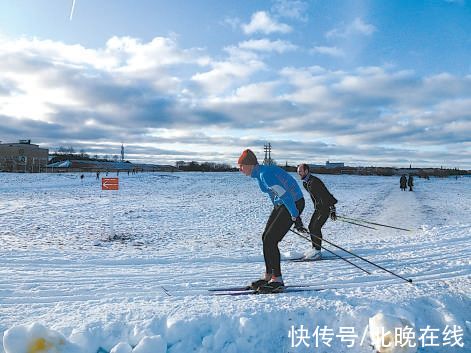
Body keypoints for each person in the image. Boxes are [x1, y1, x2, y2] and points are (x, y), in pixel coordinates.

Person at [238, 149, 306, 293]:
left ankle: (277, 279)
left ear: (249, 164)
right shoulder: (260, 174)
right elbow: (273, 193)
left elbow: (286, 195)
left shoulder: (265, 174)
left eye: (241, 166)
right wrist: (276, 208)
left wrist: (295, 216)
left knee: (271, 240)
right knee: (265, 237)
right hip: (282, 203)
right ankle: (269, 275)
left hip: (293, 202)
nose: (240, 169)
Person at [296, 164, 337, 260]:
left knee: (316, 228)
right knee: (311, 227)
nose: (299, 174)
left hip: (325, 208)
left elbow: (325, 194)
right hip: (318, 208)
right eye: (298, 172)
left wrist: (332, 209)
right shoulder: (306, 183)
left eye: (300, 171)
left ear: (306, 171)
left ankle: (317, 252)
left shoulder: (315, 182)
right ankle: (314, 248)